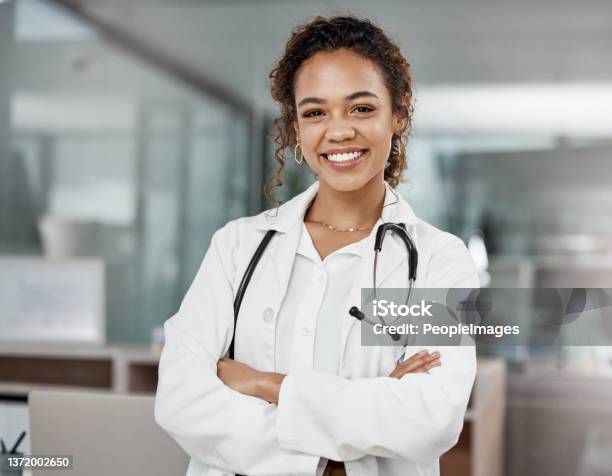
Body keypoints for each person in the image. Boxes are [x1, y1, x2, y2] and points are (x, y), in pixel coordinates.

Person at [155, 15, 479, 476]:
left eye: (361, 108)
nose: (338, 131)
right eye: (315, 112)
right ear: (296, 129)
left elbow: (429, 419)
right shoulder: (238, 247)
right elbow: (180, 400)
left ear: (399, 112)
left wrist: (267, 384)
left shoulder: (438, 261)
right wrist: (330, 460)